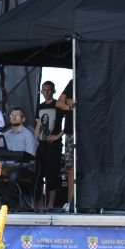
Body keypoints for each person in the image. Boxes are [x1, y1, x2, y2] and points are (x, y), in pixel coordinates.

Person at [34, 80, 65, 210]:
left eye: (48, 90)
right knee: (39, 173)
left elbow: (68, 122)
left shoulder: (58, 105)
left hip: (54, 145)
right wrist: (36, 136)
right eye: (44, 90)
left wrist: (58, 136)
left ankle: (51, 204)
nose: (46, 93)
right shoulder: (40, 106)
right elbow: (38, 123)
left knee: (52, 174)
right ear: (41, 92)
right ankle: (41, 203)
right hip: (42, 144)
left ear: (53, 91)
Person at [56, 79, 74, 211]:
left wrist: (71, 102)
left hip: (91, 131)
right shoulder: (74, 82)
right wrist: (71, 106)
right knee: (70, 169)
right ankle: (71, 202)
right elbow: (59, 103)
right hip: (71, 132)